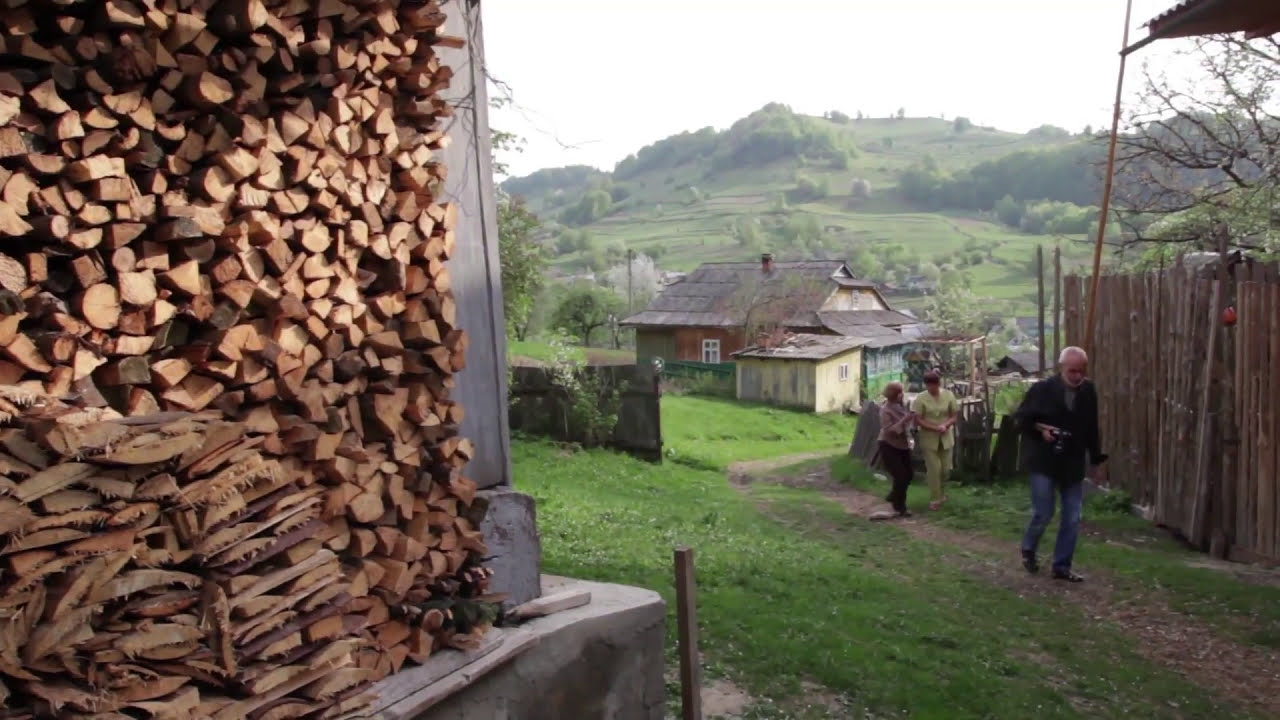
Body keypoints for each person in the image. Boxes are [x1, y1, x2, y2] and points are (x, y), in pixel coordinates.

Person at [1014, 346, 1108, 583]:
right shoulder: (1042, 390)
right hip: (1044, 460)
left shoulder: (1089, 391)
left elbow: (1091, 428)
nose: (1077, 376)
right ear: (1061, 368)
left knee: (1072, 516)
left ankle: (1062, 566)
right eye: (1072, 370)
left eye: (1081, 371)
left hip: (1072, 461)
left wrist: (1096, 460)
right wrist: (1041, 430)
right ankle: (1029, 548)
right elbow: (1021, 419)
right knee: (1044, 512)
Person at [911, 370, 958, 511]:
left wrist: (945, 425)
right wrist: (934, 427)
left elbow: (954, 415)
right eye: (929, 385)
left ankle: (942, 493)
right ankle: (934, 498)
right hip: (928, 438)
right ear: (926, 385)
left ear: (939, 383)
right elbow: (918, 419)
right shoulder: (920, 398)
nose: (932, 388)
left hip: (946, 437)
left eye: (935, 385)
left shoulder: (949, 395)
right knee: (934, 469)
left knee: (945, 470)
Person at [876, 382, 914, 517]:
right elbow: (889, 431)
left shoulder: (900, 406)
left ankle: (893, 496)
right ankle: (900, 507)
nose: (902, 395)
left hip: (903, 445)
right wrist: (904, 420)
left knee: (909, 475)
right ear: (895, 395)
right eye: (900, 393)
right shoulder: (885, 410)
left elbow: (909, 425)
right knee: (900, 476)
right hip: (888, 445)